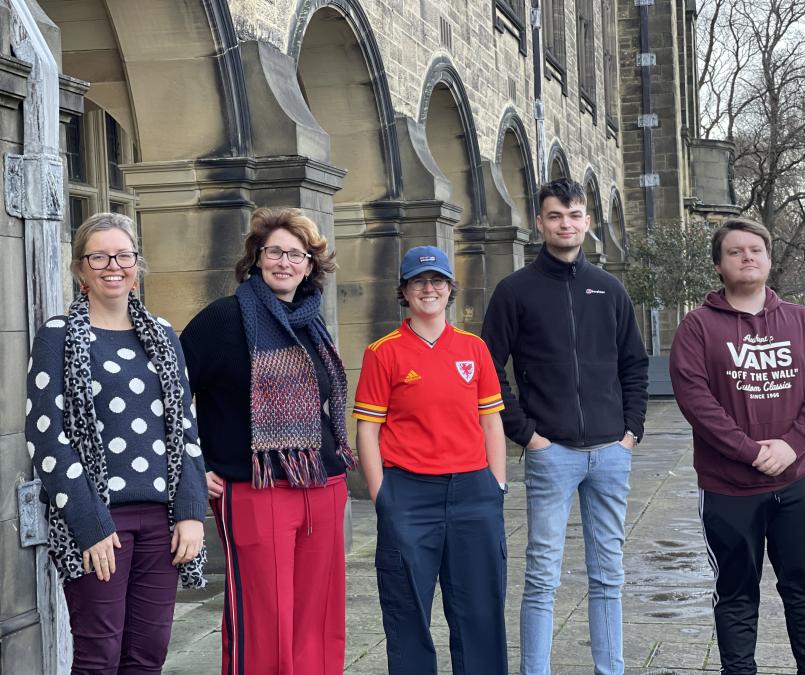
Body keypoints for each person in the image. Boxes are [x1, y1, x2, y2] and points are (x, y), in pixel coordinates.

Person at [25, 212, 207, 674]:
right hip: (99, 521)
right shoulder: (59, 335)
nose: (113, 265)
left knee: (147, 656)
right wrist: (90, 524)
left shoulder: (164, 336)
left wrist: (190, 514)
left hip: (162, 524)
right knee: (98, 657)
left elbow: (185, 430)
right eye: (99, 255)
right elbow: (47, 437)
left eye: (123, 255)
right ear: (81, 268)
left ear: (137, 264)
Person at [481, 177, 649, 675]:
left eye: (575, 215)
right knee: (542, 576)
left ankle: (609, 669)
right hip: (550, 451)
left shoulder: (610, 289)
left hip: (610, 451)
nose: (566, 224)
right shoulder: (515, 291)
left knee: (607, 575)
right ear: (540, 222)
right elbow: (488, 368)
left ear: (588, 222)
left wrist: (630, 430)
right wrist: (525, 433)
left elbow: (634, 364)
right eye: (555, 215)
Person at [180, 207, 356, 675]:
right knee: (264, 618)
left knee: (318, 617)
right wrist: (192, 463)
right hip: (254, 491)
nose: (285, 262)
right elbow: (168, 393)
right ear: (256, 258)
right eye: (274, 251)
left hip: (322, 485)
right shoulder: (223, 319)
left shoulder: (311, 320)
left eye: (296, 254)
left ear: (311, 265)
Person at [669, 218, 805, 674]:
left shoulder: (802, 322)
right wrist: (750, 451)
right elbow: (696, 401)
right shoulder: (697, 327)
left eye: (756, 250)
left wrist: (793, 445)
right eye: (735, 251)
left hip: (798, 483)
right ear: (718, 265)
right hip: (728, 488)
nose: (747, 257)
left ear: (768, 259)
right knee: (736, 594)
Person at [353, 246, 508, 674]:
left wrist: (496, 485)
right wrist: (382, 493)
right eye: (418, 281)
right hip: (408, 492)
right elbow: (368, 429)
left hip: (474, 491)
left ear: (449, 289)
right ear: (404, 290)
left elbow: (491, 421)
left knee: (480, 609)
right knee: (407, 611)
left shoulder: (474, 349)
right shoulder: (383, 352)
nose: (428, 289)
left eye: (437, 280)